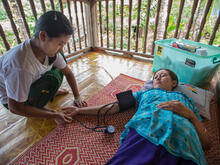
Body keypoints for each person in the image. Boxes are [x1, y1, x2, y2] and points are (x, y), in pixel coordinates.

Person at [62, 69, 211, 165]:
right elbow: (113, 106)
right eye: (155, 76)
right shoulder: (142, 94)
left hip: (185, 147)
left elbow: (207, 145)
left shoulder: (185, 99)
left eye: (163, 75)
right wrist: (80, 110)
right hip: (144, 135)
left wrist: (191, 115)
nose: (157, 77)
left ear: (174, 83)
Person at [0, 11, 87, 124]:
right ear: (43, 36)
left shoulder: (47, 51)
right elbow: (15, 107)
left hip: (28, 82)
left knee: (60, 66)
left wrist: (77, 97)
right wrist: (53, 114)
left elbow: (68, 72)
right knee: (52, 80)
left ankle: (49, 93)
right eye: (60, 44)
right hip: (13, 100)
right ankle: (41, 98)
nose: (61, 49)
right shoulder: (21, 67)